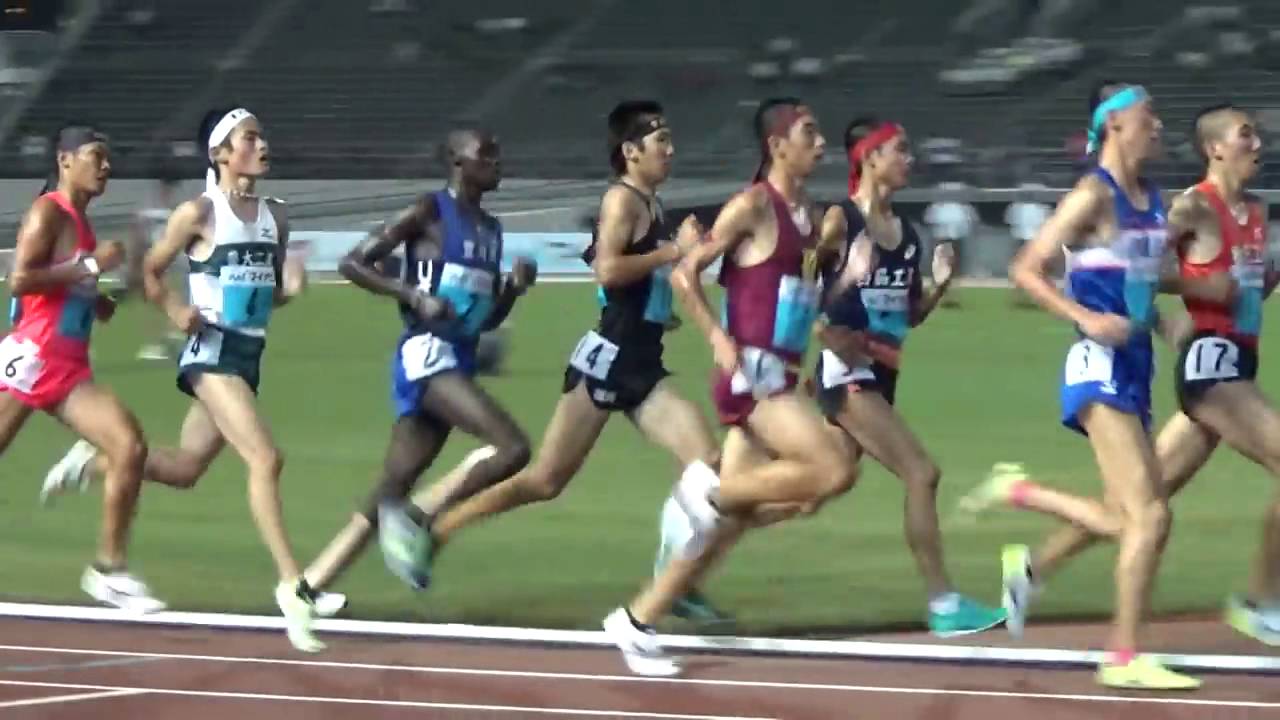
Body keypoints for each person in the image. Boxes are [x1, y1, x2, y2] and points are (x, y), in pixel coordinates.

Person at [400, 101, 730, 624]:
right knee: (545, 480)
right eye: (660, 140)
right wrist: (670, 254)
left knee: (708, 465)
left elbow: (630, 276)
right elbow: (607, 270)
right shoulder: (622, 201)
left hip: (642, 361)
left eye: (670, 139)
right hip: (611, 360)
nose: (671, 150)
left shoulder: (651, 201)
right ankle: (436, 530)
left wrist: (663, 295)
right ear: (630, 151)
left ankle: (677, 582)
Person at [40, 107, 332, 652]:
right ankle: (294, 586)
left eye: (262, 136)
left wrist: (292, 286)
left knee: (186, 468)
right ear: (221, 153)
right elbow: (148, 271)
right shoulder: (198, 212)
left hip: (247, 353)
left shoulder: (276, 217)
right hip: (210, 354)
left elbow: (266, 297)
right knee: (266, 459)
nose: (262, 145)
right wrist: (173, 308)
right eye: (250, 138)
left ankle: (95, 460)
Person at [999, 103, 1280, 646]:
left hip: (1239, 360)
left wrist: (1261, 279)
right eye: (1246, 135)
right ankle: (1260, 599)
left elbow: (1248, 291)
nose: (1258, 145)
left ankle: (1033, 568)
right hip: (1210, 369)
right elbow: (1141, 268)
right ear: (1215, 147)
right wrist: (1192, 293)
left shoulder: (1257, 212)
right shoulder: (1192, 207)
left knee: (1140, 505)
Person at [601, 98, 857, 677]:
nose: (821, 143)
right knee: (834, 468)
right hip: (753, 376)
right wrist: (718, 338)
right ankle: (709, 493)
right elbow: (686, 272)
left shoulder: (804, 214)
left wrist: (822, 338)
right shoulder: (753, 206)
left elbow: (795, 293)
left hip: (783, 369)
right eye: (809, 133)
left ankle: (638, 621)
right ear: (777, 145)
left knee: (769, 507)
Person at [957, 82, 1200, 690]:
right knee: (1149, 517)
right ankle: (1122, 657)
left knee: (1128, 516)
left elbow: (1143, 274)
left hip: (1136, 364)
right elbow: (1026, 268)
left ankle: (1026, 527)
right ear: (1114, 125)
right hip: (1096, 363)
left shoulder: (1151, 198)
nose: (1160, 126)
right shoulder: (1094, 194)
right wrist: (1085, 317)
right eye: (1149, 116)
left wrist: (1166, 314)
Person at [301, 127, 537, 597]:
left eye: (497, 151)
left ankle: (307, 588)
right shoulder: (429, 211)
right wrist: (412, 295)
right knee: (512, 448)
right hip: (427, 355)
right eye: (485, 153)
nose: (496, 160)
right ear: (456, 162)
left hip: (459, 357)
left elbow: (484, 319)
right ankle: (417, 518)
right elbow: (352, 264)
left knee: (389, 487)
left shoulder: (491, 231)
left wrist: (511, 289)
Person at [814, 116, 1005, 636]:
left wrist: (940, 285)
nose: (910, 159)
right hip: (847, 371)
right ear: (870, 158)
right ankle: (944, 603)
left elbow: (910, 314)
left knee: (822, 483)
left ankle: (710, 522)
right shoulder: (840, 221)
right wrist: (845, 283)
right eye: (900, 149)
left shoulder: (909, 234)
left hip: (883, 374)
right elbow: (804, 300)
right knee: (922, 473)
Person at [3, 126, 163, 613]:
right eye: (97, 156)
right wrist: (92, 267)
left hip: (68, 366)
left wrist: (116, 290)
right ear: (65, 160)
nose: (107, 167)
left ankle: (108, 571)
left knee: (128, 445)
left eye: (109, 159)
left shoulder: (83, 224)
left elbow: (86, 299)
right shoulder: (47, 211)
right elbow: (21, 280)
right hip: (32, 359)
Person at [130, 169, 185, 360]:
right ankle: (162, 342)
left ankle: (167, 341)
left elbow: (139, 233)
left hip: (170, 259)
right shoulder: (152, 209)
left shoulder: (171, 208)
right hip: (156, 259)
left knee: (168, 298)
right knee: (157, 300)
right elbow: (139, 234)